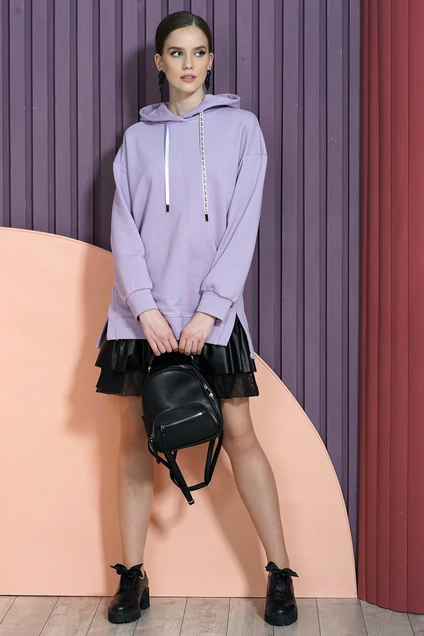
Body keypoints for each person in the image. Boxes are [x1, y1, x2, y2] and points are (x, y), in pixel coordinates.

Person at [94, 10, 299, 628]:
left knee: (240, 436)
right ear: (159, 62)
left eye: (199, 52)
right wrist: (145, 307)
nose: (189, 63)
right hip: (142, 318)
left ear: (211, 60)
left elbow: (243, 226)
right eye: (177, 53)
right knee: (134, 440)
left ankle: (280, 571)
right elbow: (124, 230)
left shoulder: (242, 130)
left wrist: (210, 309)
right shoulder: (135, 141)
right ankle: (133, 575)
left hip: (212, 315)